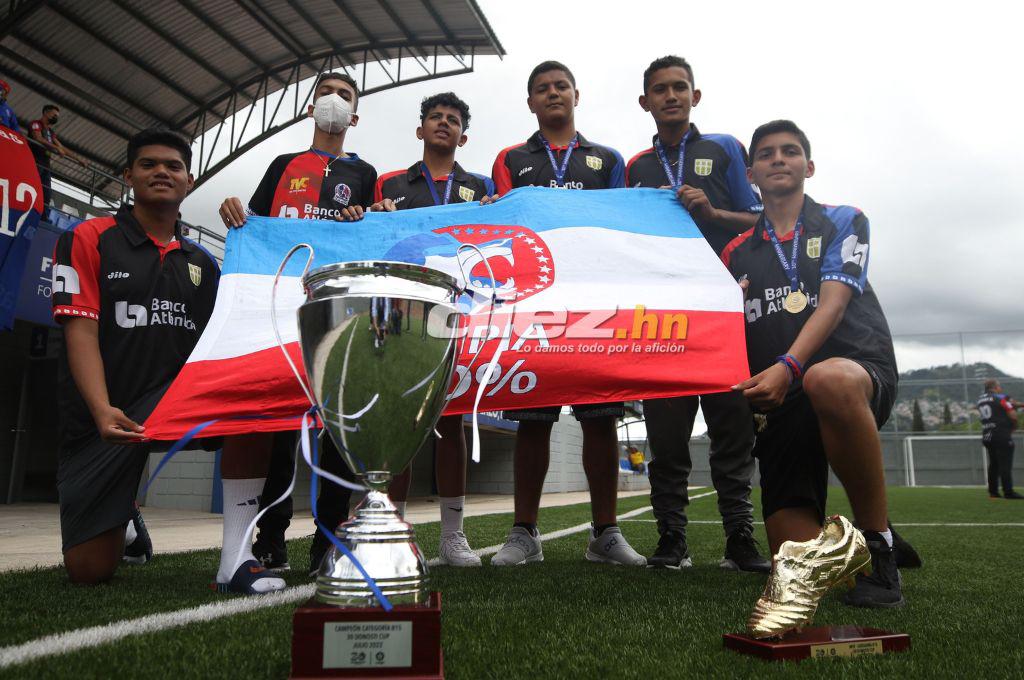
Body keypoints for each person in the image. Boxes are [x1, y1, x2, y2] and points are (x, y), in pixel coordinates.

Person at [52, 128, 281, 593]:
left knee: (256, 403)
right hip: (108, 412)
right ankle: (125, 515)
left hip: (180, 401)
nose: (161, 172)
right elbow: (81, 332)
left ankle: (237, 558)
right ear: (128, 175)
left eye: (173, 166)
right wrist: (100, 409)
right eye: (149, 164)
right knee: (89, 571)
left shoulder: (204, 262)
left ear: (189, 180)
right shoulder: (88, 237)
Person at [722, 120, 904, 637]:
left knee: (829, 379)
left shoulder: (845, 219)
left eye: (791, 151)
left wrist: (789, 367)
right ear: (752, 172)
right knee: (792, 555)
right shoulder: (735, 252)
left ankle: (878, 542)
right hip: (782, 398)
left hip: (854, 371)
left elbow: (833, 303)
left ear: (809, 166)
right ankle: (866, 538)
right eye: (767, 154)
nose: (779, 159)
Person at [219, 71, 377, 577]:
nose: (333, 101)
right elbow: (255, 222)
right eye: (325, 93)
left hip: (334, 308)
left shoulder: (365, 171)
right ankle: (270, 539)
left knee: (334, 424)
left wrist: (365, 216)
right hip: (278, 304)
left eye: (344, 96)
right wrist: (233, 210)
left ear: (354, 116)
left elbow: (374, 228)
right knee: (280, 421)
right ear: (313, 107)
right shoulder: (284, 164)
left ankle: (327, 541)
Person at [487, 60, 645, 567]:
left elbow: (623, 224)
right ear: (530, 102)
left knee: (601, 418)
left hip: (595, 306)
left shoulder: (607, 159)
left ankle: (605, 533)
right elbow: (502, 227)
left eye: (560, 86)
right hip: (534, 306)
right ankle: (524, 532)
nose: (552, 93)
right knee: (533, 420)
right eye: (541, 89)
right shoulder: (510, 158)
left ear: (578, 94)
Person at [626, 55, 768, 572]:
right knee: (666, 436)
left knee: (733, 430)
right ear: (646, 102)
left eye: (680, 87)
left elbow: (761, 219)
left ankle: (739, 539)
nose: (671, 96)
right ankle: (672, 539)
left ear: (695, 96)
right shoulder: (635, 167)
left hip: (722, 309)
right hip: (663, 316)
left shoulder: (725, 148)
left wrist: (712, 213)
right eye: (660, 89)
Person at [369, 92, 496, 566]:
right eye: (435, 117)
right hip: (399, 313)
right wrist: (370, 214)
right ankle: (395, 532)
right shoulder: (389, 184)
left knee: (452, 421)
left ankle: (452, 536)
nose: (444, 123)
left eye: (453, 119)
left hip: (454, 313)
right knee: (399, 420)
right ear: (420, 130)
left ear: (464, 135)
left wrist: (493, 211)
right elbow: (364, 237)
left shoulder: (480, 186)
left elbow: (494, 240)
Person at [29, 104, 85, 206]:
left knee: (46, 193)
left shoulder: (51, 132)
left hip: (45, 164)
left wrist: (78, 159)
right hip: (35, 160)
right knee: (31, 185)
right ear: (46, 112)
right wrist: (56, 148)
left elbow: (61, 147)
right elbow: (38, 137)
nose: (56, 118)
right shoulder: (36, 124)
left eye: (57, 116)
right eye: (54, 115)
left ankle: (44, 218)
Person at [977, 379, 1022, 499]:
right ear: (996, 387)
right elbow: (1012, 413)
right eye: (999, 387)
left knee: (994, 464)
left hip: (987, 435)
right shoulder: (1000, 398)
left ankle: (993, 492)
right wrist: (1014, 426)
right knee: (1005, 464)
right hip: (1001, 434)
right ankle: (1009, 492)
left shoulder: (980, 400)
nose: (1000, 389)